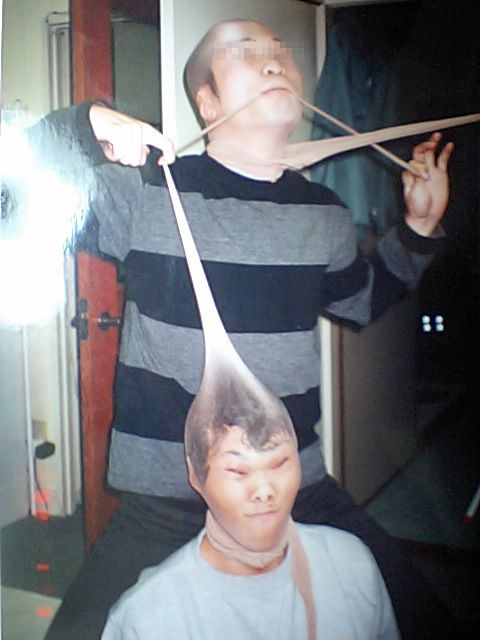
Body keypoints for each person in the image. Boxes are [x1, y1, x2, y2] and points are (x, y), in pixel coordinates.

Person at [33, 18, 458, 640]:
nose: (273, 61)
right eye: (244, 51)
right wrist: (86, 122)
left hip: (294, 483)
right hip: (166, 493)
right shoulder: (148, 195)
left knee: (424, 618)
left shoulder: (323, 212)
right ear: (206, 103)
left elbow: (360, 301)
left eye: (279, 52)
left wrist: (417, 230)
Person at [101, 395, 400, 640]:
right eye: (237, 471)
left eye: (280, 463)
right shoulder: (149, 617)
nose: (265, 491)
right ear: (196, 475)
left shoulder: (353, 566)